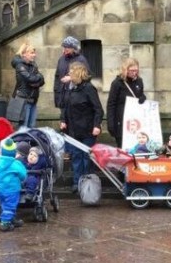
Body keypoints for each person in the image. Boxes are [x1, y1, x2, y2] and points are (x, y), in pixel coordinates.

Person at [59, 62, 103, 194]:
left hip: (87, 129)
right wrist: (63, 120)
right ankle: (77, 182)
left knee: (87, 157)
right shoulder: (70, 88)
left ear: (78, 73)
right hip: (73, 130)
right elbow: (65, 106)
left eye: (71, 71)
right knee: (76, 157)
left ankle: (88, 183)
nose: (69, 74)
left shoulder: (89, 88)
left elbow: (98, 109)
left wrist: (97, 125)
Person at [106, 57, 146, 148]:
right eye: (132, 71)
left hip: (135, 121)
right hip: (121, 121)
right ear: (125, 69)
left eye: (136, 70)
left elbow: (140, 95)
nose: (134, 73)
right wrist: (110, 123)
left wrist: (143, 98)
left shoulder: (139, 81)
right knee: (123, 148)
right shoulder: (117, 83)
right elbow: (111, 104)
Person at [0, 138, 27, 231]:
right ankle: (5, 223)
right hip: (12, 189)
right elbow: (23, 175)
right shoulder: (15, 163)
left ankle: (11, 219)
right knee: (10, 206)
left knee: (4, 205)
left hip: (1, 189)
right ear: (14, 152)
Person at [11, 42, 46, 128]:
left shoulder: (33, 64)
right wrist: (38, 77)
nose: (34, 55)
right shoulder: (20, 65)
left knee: (32, 127)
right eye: (31, 53)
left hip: (33, 100)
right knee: (24, 127)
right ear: (24, 54)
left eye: (34, 53)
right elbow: (30, 79)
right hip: (24, 100)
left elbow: (42, 81)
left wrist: (38, 79)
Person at [53, 36, 90, 109]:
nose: (65, 49)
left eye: (68, 47)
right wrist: (57, 94)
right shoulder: (61, 59)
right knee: (63, 115)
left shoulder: (81, 60)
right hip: (63, 97)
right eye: (64, 47)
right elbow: (57, 77)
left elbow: (87, 76)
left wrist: (71, 78)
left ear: (74, 48)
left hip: (76, 97)